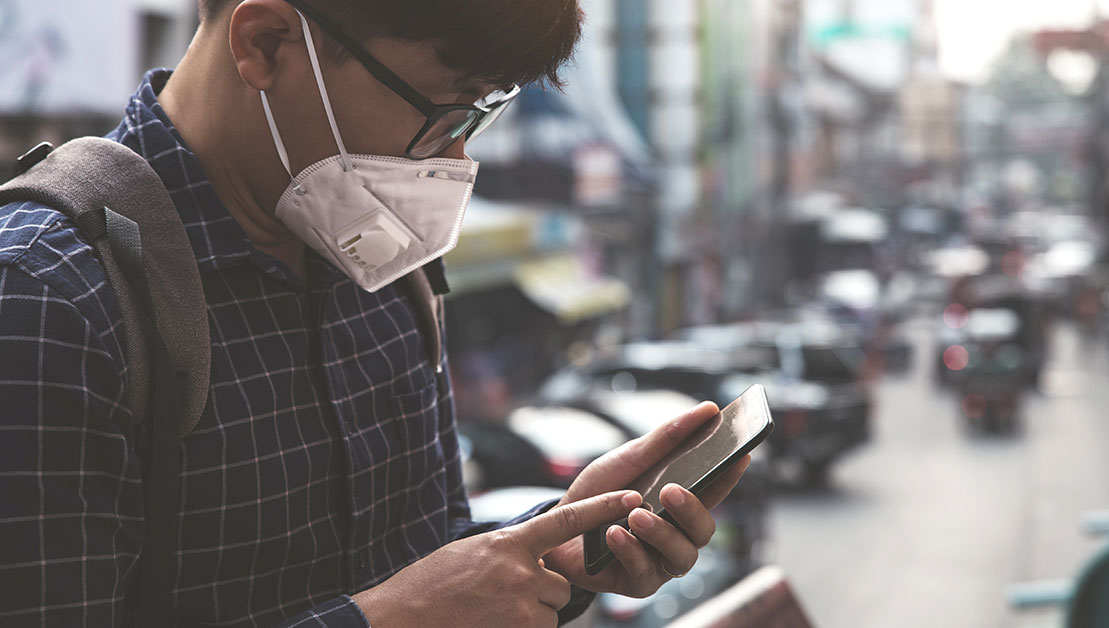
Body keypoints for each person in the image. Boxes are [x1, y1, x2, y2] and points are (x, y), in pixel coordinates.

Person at [0, 0, 750, 626]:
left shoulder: (379, 257)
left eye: (480, 115)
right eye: (444, 111)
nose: (453, 158)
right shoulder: (50, 297)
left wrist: (555, 545)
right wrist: (384, 621)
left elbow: (423, 556)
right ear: (266, 42)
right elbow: (405, 603)